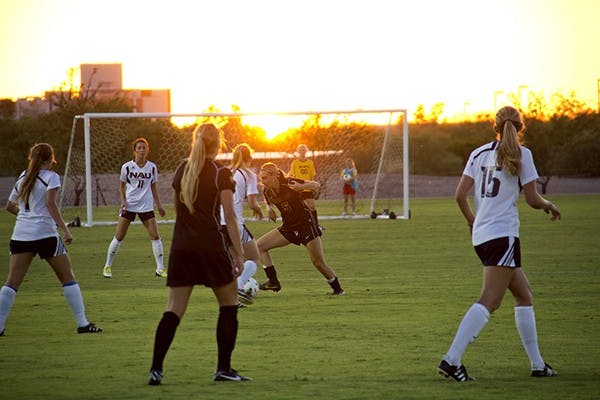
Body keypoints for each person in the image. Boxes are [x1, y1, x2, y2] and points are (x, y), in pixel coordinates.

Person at [438, 106, 561, 382]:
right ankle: (451, 360)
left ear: (495, 126)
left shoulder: (478, 153)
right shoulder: (522, 154)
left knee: (523, 294)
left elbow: (460, 196)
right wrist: (549, 205)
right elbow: (532, 199)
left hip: (482, 237)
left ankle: (538, 365)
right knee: (490, 301)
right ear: (520, 127)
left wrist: (473, 220)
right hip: (502, 235)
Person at [148, 123, 250, 385]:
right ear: (218, 144)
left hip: (181, 248)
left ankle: (156, 370)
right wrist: (239, 254)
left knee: (173, 310)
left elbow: (178, 207)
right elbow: (229, 216)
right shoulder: (221, 173)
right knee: (228, 306)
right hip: (211, 248)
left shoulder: (183, 168)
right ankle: (223, 369)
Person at [0, 143, 102, 336]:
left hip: (21, 235)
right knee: (68, 278)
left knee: (12, 282)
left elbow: (9, 206)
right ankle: (82, 323)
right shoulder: (52, 177)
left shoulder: (22, 177)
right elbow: (51, 204)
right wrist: (65, 229)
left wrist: (26, 217)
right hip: (46, 235)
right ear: (50, 158)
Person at [256, 162, 344, 295]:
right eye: (260, 178)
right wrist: (269, 209)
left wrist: (301, 187)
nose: (261, 181)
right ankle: (273, 282)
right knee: (259, 246)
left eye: (264, 178)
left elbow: (316, 185)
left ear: (274, 176)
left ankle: (338, 290)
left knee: (318, 263)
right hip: (289, 228)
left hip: (306, 226)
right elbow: (267, 199)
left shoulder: (289, 183)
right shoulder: (267, 190)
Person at [102, 137, 167, 278]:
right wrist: (123, 201)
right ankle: (107, 266)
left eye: (145, 148)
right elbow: (121, 187)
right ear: (134, 151)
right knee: (119, 236)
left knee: (155, 236)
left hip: (146, 206)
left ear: (148, 150)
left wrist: (159, 206)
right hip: (130, 205)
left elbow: (154, 188)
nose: (142, 150)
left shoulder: (152, 167)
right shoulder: (126, 167)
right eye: (139, 148)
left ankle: (160, 269)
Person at [219, 143, 264, 306]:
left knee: (236, 260)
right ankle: (238, 288)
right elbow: (252, 203)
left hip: (220, 221)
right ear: (249, 158)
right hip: (234, 222)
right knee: (253, 258)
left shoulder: (226, 172)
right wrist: (259, 210)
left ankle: (232, 301)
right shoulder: (249, 175)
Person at [288, 144, 321, 227]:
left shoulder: (310, 162)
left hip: (308, 188)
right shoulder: (295, 163)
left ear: (306, 151)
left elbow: (312, 175)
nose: (303, 151)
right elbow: (292, 176)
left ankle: (316, 225)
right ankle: (300, 225)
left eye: (304, 150)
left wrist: (312, 186)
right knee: (299, 209)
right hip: (298, 189)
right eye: (301, 150)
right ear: (298, 151)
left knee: (312, 207)